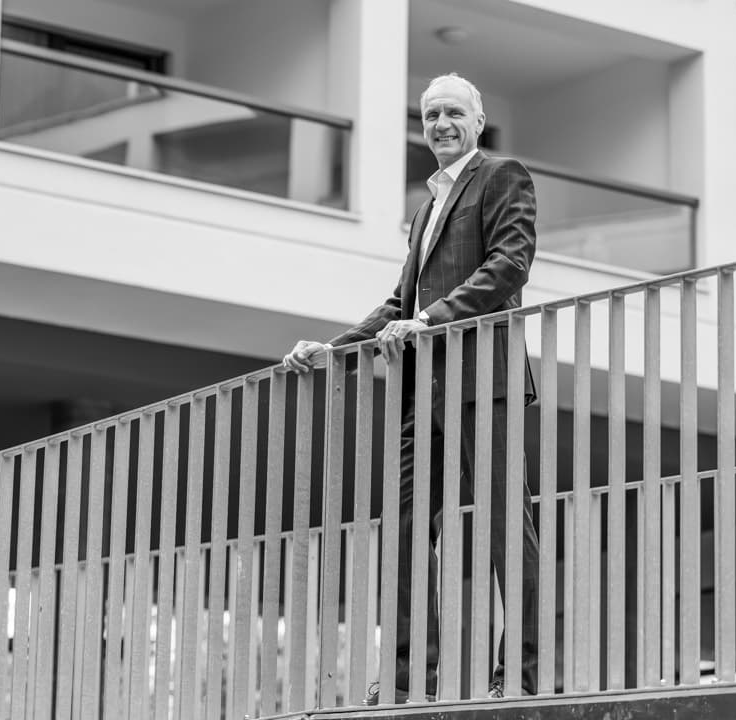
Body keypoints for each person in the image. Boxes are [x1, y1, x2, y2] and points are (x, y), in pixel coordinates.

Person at [282, 73, 539, 702]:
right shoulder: (426, 207)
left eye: (453, 112)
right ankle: (406, 681)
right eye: (430, 116)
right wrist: (335, 349)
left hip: (483, 380)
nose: (441, 124)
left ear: (478, 122)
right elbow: (400, 302)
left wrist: (429, 320)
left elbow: (509, 264)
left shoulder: (502, 175)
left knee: (507, 527)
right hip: (423, 391)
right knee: (401, 526)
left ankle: (521, 676)